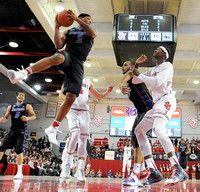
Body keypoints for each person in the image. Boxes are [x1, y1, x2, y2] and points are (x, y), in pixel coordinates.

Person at [7, 10, 96, 146]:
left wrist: (77, 20)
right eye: (88, 19)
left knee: (71, 97)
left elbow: (92, 33)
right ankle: (22, 74)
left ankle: (53, 127)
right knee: (58, 55)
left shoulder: (90, 32)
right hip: (68, 56)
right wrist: (56, 27)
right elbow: (59, 45)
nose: (90, 21)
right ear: (81, 18)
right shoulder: (69, 32)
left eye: (89, 20)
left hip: (78, 63)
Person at [131, 46, 188, 186]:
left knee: (158, 129)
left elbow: (157, 82)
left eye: (158, 49)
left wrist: (140, 74)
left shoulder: (167, 65)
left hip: (167, 100)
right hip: (156, 104)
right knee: (138, 131)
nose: (155, 50)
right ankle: (153, 171)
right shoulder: (153, 69)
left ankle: (177, 168)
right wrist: (137, 66)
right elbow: (135, 81)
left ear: (164, 54)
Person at [59, 78, 114, 181]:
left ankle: (80, 170)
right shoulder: (68, 78)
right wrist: (70, 100)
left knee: (83, 140)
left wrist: (107, 92)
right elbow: (61, 95)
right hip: (72, 110)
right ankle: (67, 165)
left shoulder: (88, 81)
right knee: (75, 134)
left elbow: (98, 96)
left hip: (85, 112)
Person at [118, 60, 153, 186]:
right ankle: (143, 171)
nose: (124, 67)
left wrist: (120, 85)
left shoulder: (134, 74)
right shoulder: (129, 81)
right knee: (133, 140)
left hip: (149, 109)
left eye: (126, 64)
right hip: (141, 112)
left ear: (132, 67)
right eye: (123, 65)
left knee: (139, 140)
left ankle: (136, 173)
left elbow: (129, 75)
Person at [0, 90, 36, 179]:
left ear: (24, 98)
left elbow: (34, 116)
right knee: (1, 147)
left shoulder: (27, 106)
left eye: (22, 96)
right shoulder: (11, 107)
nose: (21, 96)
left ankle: (19, 172)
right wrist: (3, 119)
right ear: (17, 97)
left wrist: (27, 118)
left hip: (21, 130)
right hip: (12, 130)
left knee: (18, 150)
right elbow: (6, 117)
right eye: (19, 95)